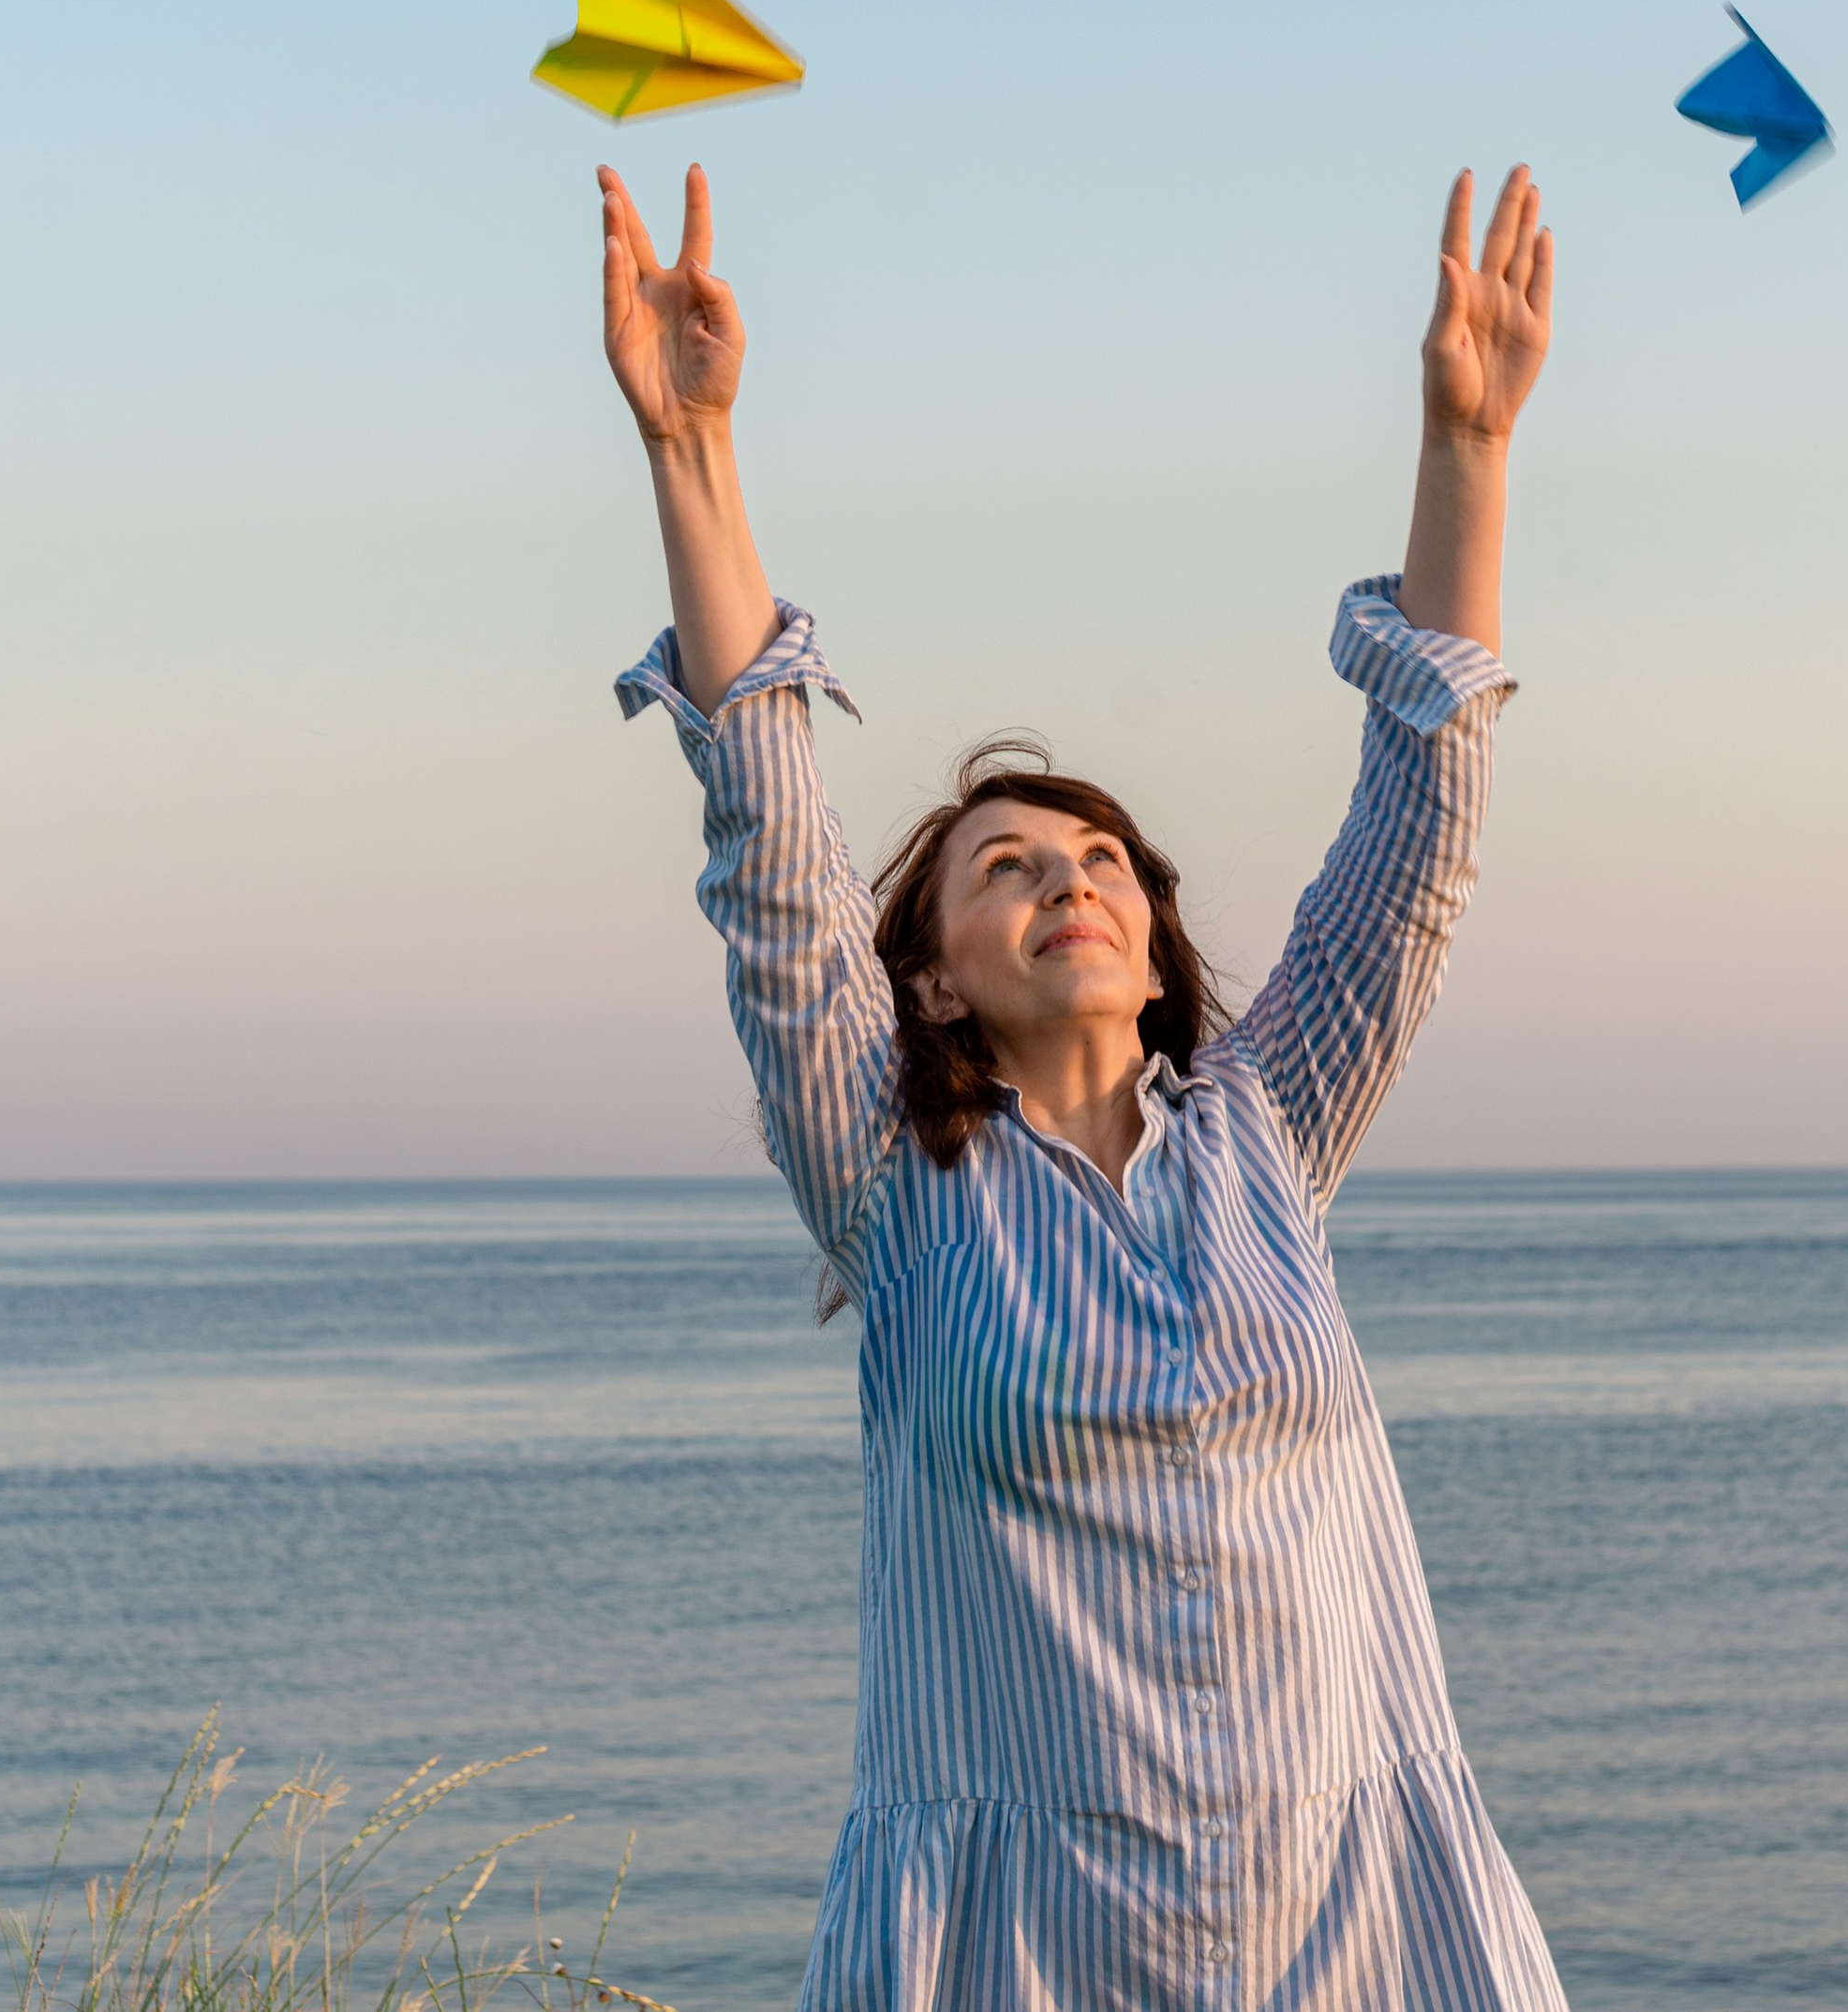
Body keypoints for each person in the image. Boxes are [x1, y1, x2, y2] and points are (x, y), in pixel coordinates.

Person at [603, 155, 1565, 2012]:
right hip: (1022, 1952)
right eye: (1008, 866)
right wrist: (691, 445)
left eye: (1100, 856)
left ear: (1150, 926)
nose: (1070, 877)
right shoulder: (895, 1182)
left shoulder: (1269, 1131)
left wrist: (1469, 446)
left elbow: (1416, 835)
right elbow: (772, 853)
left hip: (1346, 1932)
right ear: (931, 975)